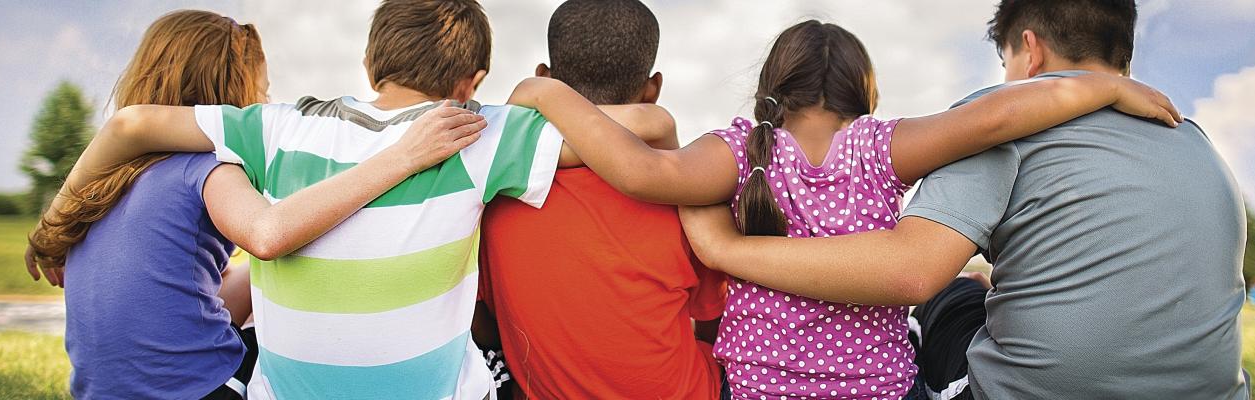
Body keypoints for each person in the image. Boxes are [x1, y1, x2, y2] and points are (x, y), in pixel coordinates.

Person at [501, 18, 1180, 399]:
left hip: (761, 392)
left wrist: (548, 96)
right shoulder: (881, 147)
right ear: (865, 92)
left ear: (773, 88)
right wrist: (1100, 87)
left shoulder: (741, 151)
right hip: (878, 390)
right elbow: (995, 117)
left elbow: (642, 170)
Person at [34, 1, 670, 398]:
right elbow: (635, 127)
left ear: (369, 65)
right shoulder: (476, 129)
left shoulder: (276, 125)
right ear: (470, 82)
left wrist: (54, 223)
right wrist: (540, 96)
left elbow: (127, 125)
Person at [676, 1, 1251, 399]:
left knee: (948, 294)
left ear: (1030, 53)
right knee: (967, 287)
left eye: (1006, 63)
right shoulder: (1193, 138)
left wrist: (725, 249)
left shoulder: (1001, 123)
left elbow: (909, 273)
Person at [23, 10, 485, 400]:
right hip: (196, 390)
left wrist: (51, 227)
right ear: (228, 92)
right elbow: (267, 234)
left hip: (98, 389)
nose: (264, 102)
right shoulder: (206, 168)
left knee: (267, 286)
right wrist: (401, 157)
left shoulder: (109, 180)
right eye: (260, 90)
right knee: (308, 338)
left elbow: (174, 292)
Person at [473, 1, 726, 399]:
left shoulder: (495, 197)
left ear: (545, 77)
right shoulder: (682, 192)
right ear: (653, 89)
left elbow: (485, 324)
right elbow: (712, 321)